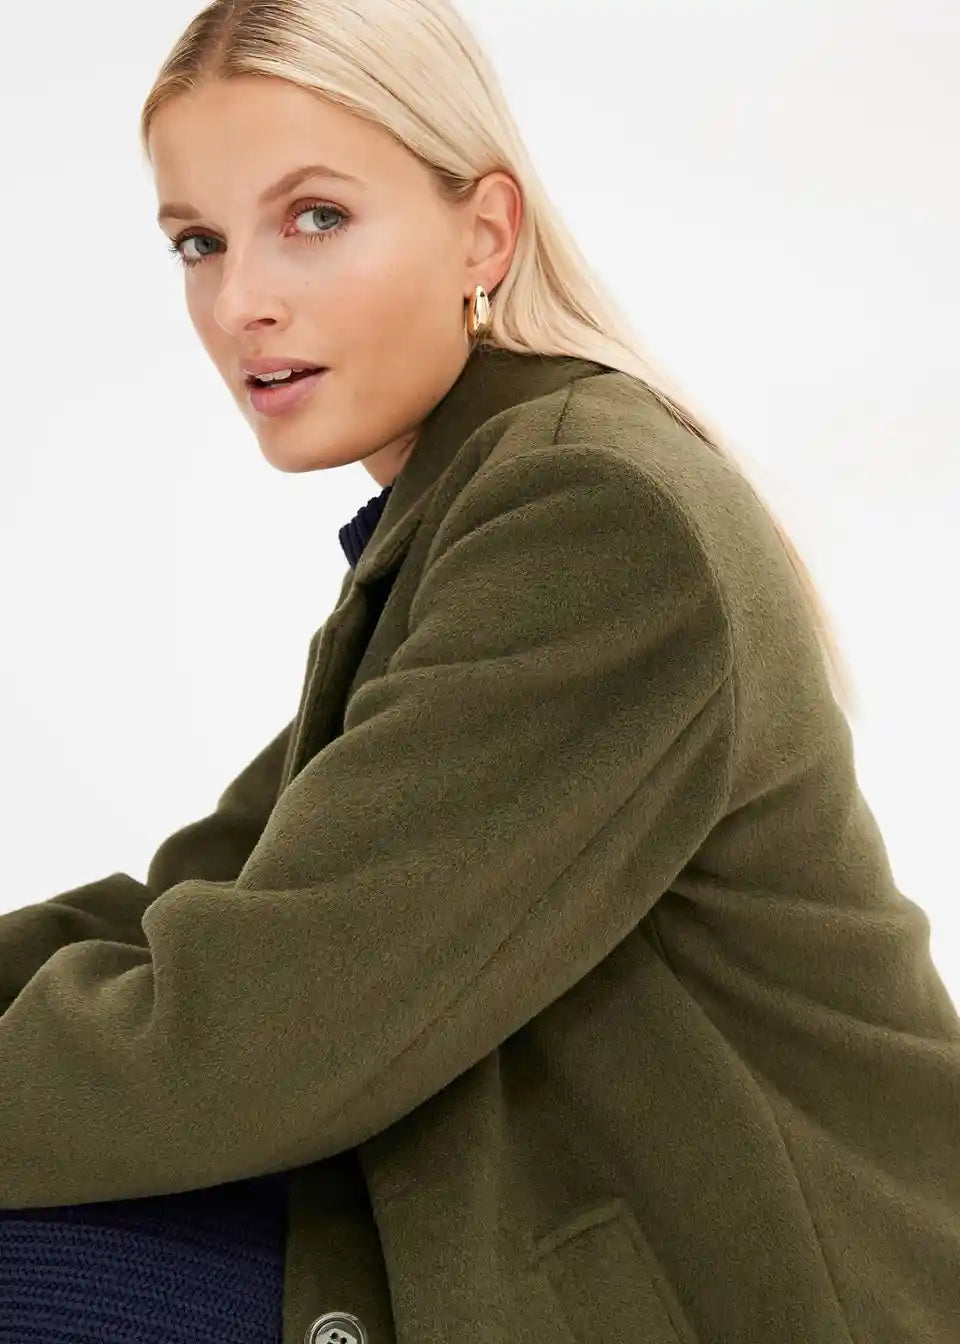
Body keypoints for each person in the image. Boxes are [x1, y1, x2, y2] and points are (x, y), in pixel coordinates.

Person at [2, 2, 959, 1342]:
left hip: (724, 1290)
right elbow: (220, 892)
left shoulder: (591, 519)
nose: (239, 302)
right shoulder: (480, 494)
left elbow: (257, 1032)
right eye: (199, 242)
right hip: (510, 1204)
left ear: (485, 232)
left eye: (315, 217)